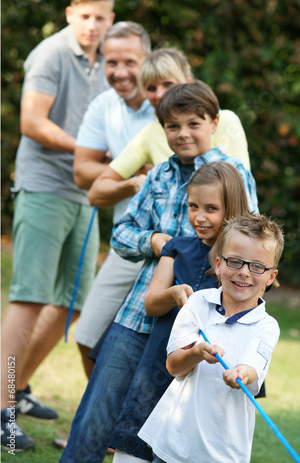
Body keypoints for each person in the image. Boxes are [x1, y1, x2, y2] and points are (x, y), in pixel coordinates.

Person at [59, 81, 259, 463]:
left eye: (192, 124)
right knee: (98, 405)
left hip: (197, 323)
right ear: (162, 129)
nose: (182, 134)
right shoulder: (159, 175)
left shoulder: (233, 173)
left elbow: (247, 238)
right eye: (172, 126)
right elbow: (121, 232)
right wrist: (156, 242)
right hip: (141, 307)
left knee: (162, 414)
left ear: (213, 123)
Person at [0, 0, 115, 452]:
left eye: (101, 18)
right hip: (45, 186)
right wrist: (88, 150)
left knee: (75, 302)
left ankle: (18, 387)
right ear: (70, 14)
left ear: (111, 19)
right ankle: (1, 411)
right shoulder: (49, 53)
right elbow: (32, 121)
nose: (92, 26)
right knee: (28, 298)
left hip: (85, 195)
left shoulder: (111, 58)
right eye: (84, 17)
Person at [110, 161, 250, 462]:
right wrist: (173, 294)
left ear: (232, 208)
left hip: (207, 374)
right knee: (135, 440)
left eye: (211, 208)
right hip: (161, 361)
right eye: (193, 206)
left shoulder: (240, 264)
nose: (199, 217)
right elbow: (151, 303)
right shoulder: (178, 248)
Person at [139, 213, 284, 463]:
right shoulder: (198, 303)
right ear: (218, 264)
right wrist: (196, 353)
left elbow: (252, 369)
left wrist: (240, 374)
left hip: (223, 452)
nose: (244, 273)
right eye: (235, 261)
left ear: (270, 277)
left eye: (257, 266)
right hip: (173, 442)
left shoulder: (266, 326)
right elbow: (174, 366)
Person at [71, 21, 155, 378]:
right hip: (128, 238)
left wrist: (110, 170)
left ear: (149, 59)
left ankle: (128, 432)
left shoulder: (172, 101)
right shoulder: (103, 105)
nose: (120, 72)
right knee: (88, 337)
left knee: (155, 351)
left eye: (130, 62)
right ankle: (97, 428)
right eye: (111, 62)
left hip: (178, 242)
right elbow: (81, 171)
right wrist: (131, 177)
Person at [88, 48, 250, 209]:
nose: (159, 94)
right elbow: (95, 193)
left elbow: (241, 192)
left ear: (187, 83)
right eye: (151, 88)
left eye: (168, 84)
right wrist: (135, 184)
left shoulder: (226, 121)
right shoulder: (150, 133)